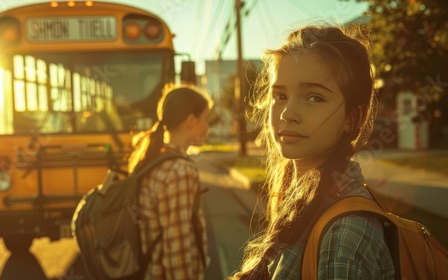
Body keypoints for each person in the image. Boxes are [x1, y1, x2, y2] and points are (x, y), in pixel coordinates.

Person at [231, 25, 396, 279]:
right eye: (280, 95)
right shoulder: (299, 196)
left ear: (353, 117)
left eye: (314, 98)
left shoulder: (342, 235)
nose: (287, 114)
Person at [128, 85, 212, 280]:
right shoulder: (180, 171)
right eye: (205, 119)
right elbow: (177, 246)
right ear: (191, 121)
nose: (208, 127)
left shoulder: (155, 159)